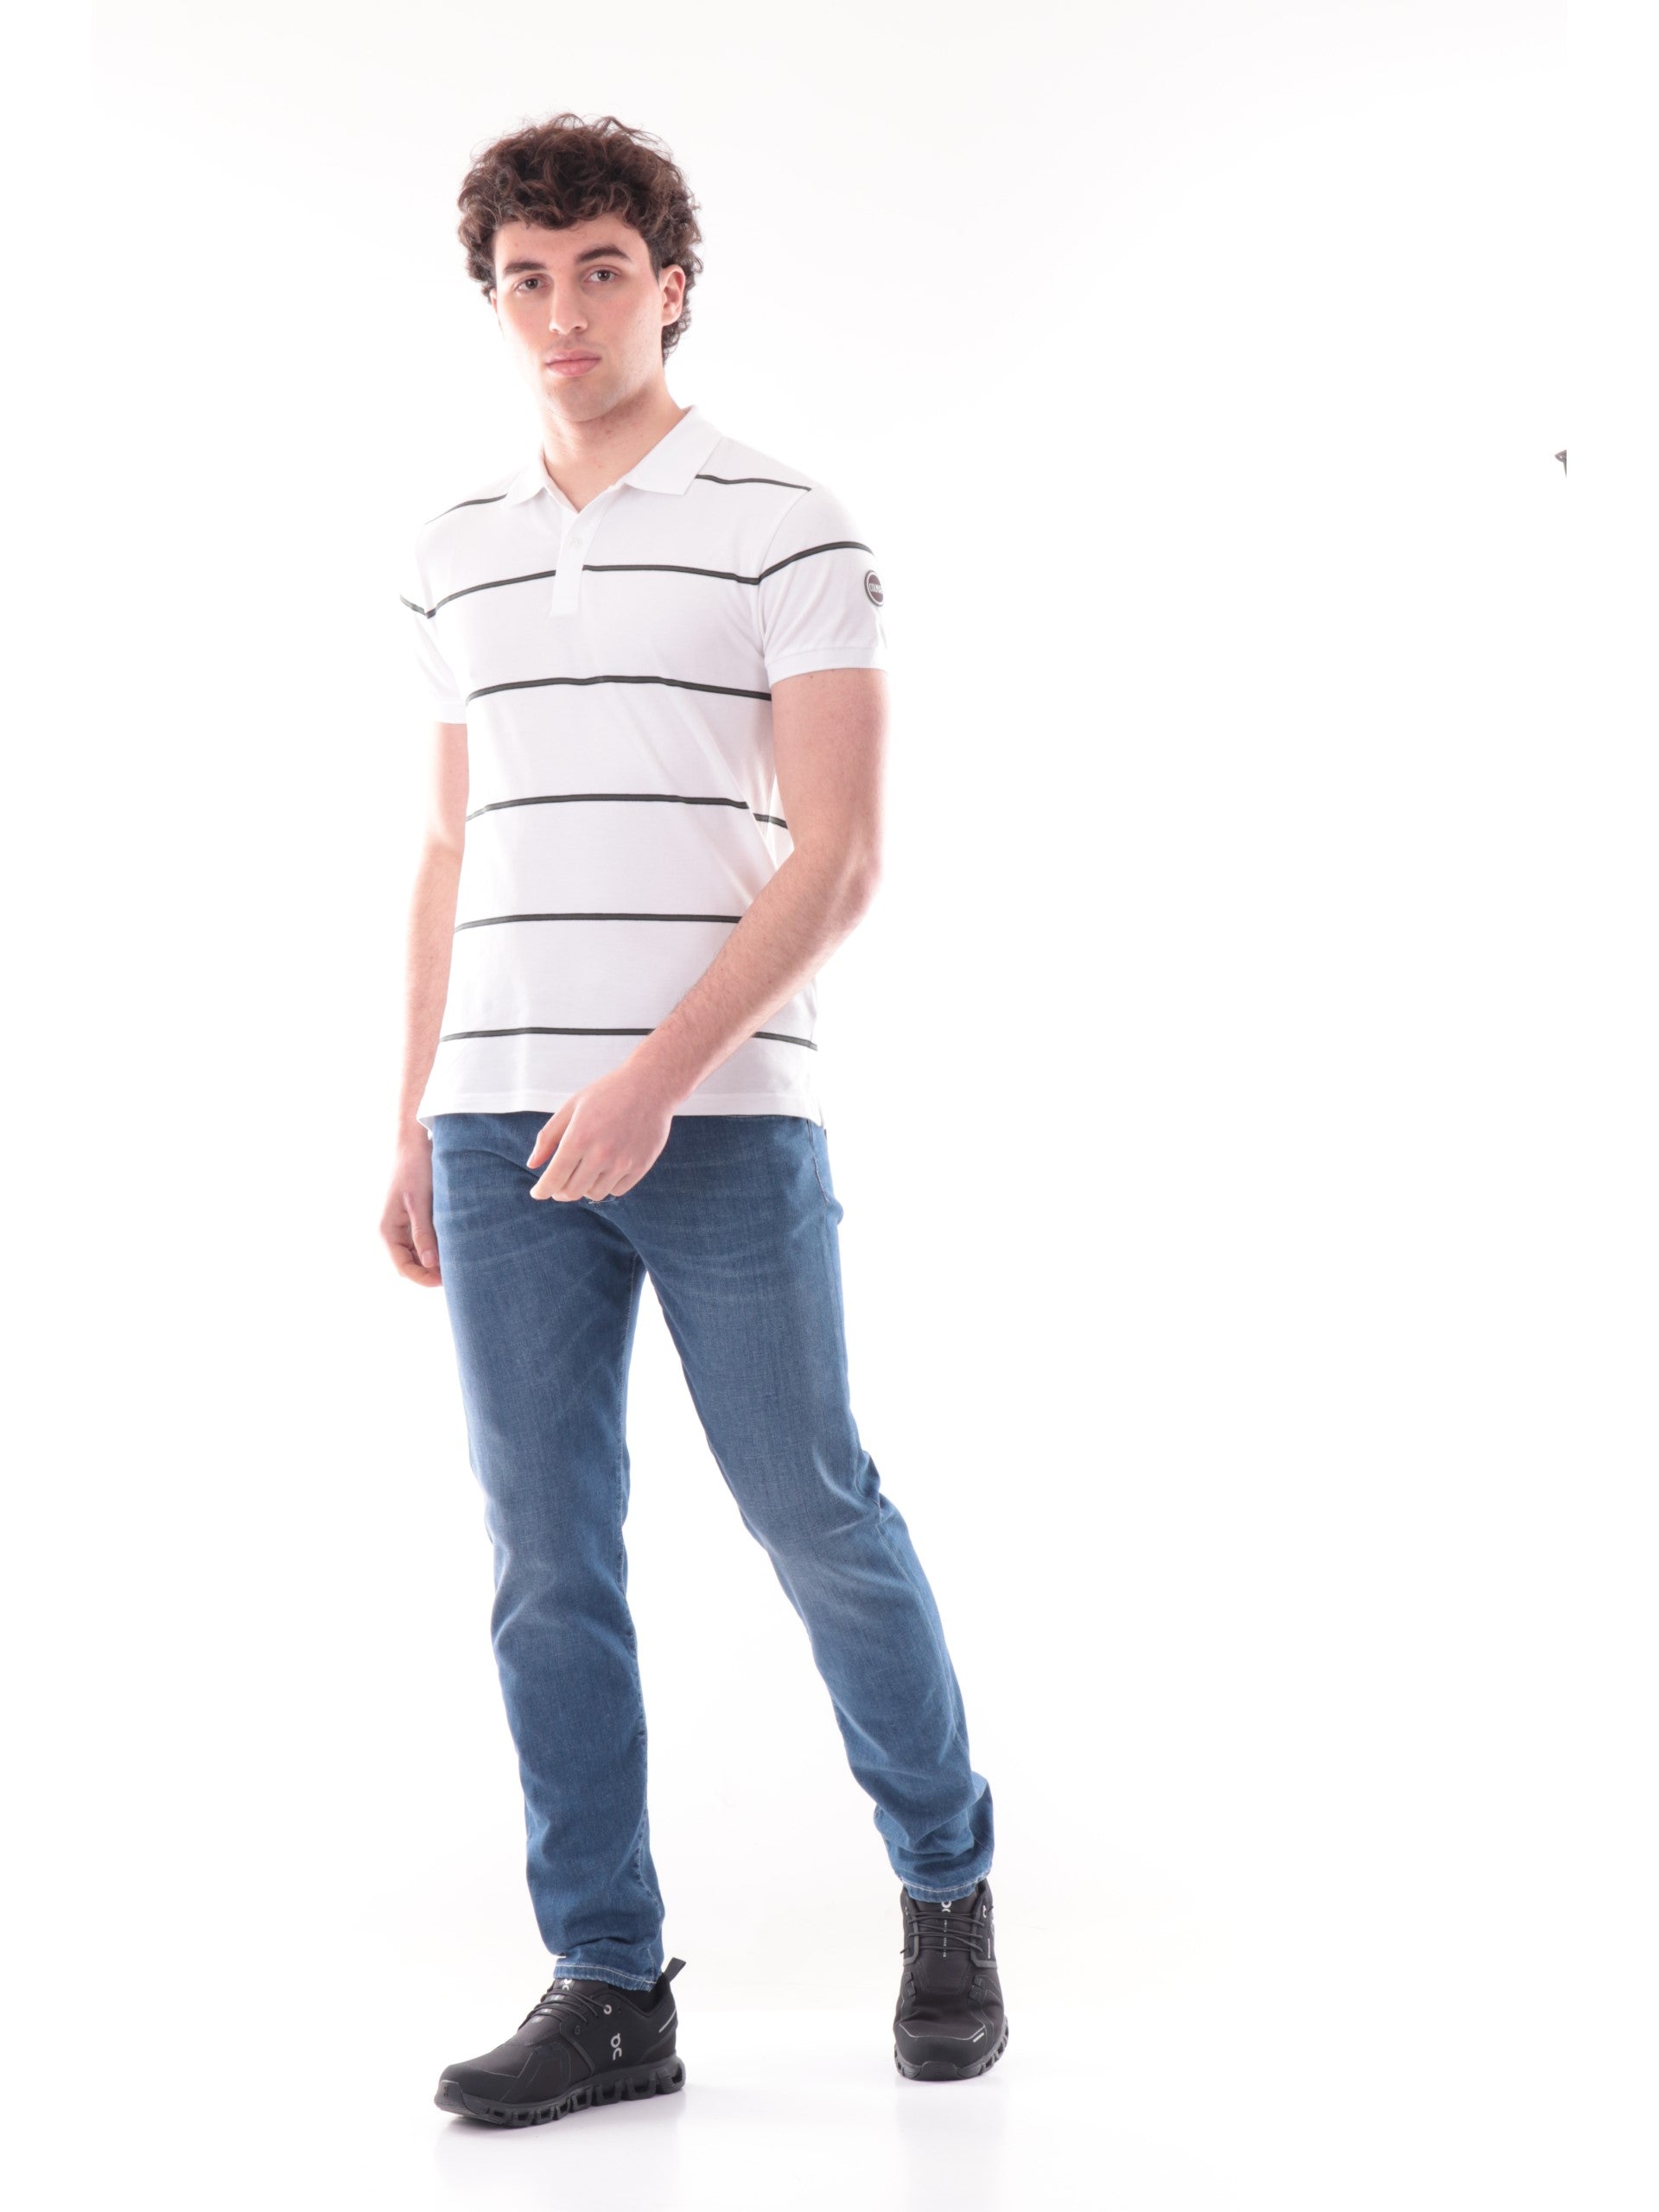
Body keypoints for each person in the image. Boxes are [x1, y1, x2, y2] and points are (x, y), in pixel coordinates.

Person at [379, 111, 1005, 2127]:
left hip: (721, 1114)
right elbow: (452, 843)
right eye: (526, 279)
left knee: (815, 1512)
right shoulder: (453, 545)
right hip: (498, 1128)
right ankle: (608, 1978)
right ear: (495, 300)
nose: (563, 311)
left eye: (601, 271)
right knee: (544, 1560)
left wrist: (655, 1072)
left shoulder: (786, 523)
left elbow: (840, 855)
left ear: (671, 283)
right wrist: (414, 1112)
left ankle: (945, 1879)